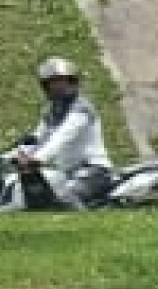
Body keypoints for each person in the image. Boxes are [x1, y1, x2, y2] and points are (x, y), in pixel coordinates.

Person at [15, 56, 115, 210]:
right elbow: (37, 137)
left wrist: (38, 158)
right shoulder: (52, 111)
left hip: (94, 171)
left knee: (65, 199)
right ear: (46, 87)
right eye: (53, 83)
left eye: (63, 81)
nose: (59, 87)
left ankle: (87, 229)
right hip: (67, 173)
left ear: (73, 81)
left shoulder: (82, 109)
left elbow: (62, 137)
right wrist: (18, 153)